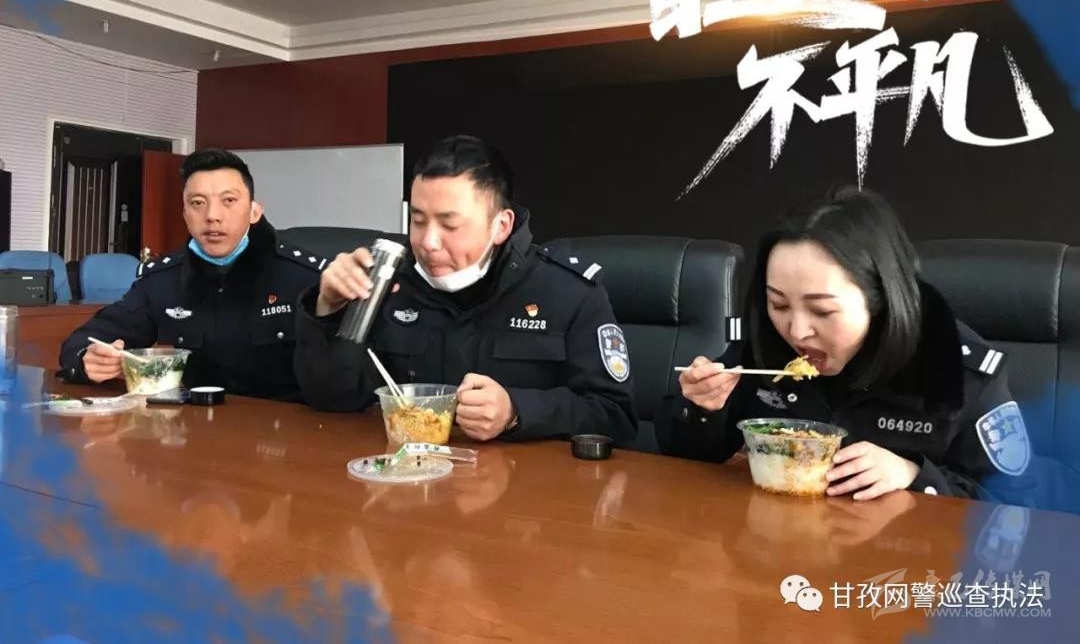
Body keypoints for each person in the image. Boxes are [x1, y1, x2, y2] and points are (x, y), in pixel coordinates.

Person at [655, 186, 1034, 502]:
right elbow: (687, 459)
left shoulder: (957, 370)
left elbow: (1018, 505)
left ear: (881, 300)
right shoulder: (764, 346)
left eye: (822, 311)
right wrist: (702, 407)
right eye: (779, 304)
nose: (797, 331)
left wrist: (915, 475)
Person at [294, 135, 637, 444]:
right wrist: (328, 310)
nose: (428, 243)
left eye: (450, 225)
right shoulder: (389, 279)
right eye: (417, 220)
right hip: (406, 475)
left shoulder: (568, 292)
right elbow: (333, 399)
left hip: (520, 486)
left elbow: (615, 417)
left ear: (501, 226)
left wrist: (517, 411)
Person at [59, 148, 322, 400]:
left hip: (284, 427)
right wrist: (88, 359)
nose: (212, 216)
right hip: (197, 422)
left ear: (254, 211)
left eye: (228, 201)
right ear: (185, 214)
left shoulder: (303, 277)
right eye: (198, 203)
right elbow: (86, 340)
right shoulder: (164, 279)